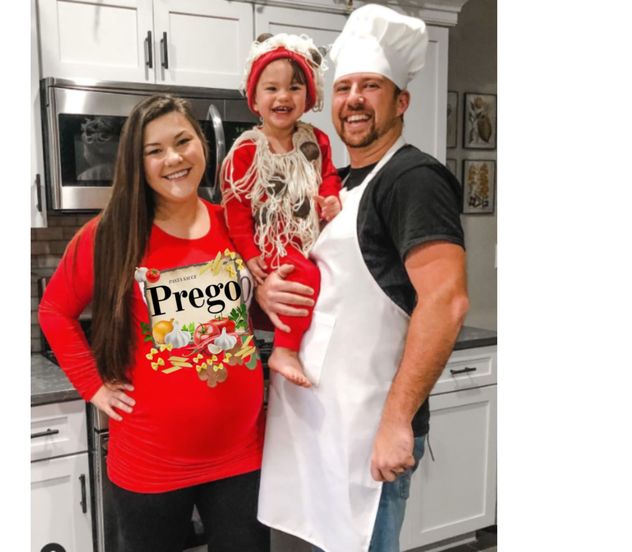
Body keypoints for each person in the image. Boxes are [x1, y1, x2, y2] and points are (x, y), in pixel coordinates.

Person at [255, 5, 470, 552]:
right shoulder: (342, 181)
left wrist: (397, 423)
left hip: (368, 428)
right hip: (319, 424)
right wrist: (267, 286)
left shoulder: (413, 179)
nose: (353, 99)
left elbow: (445, 302)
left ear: (401, 101)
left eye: (371, 87)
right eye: (345, 87)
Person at [39, 95, 270, 552]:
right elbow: (54, 312)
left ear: (202, 144)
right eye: (155, 150)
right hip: (151, 461)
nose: (174, 158)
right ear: (138, 163)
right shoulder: (111, 234)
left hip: (242, 453)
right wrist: (94, 387)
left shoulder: (235, 225)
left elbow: (255, 306)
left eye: (183, 141)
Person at [221, 32, 342, 388]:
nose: (283, 97)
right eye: (271, 89)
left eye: (294, 88)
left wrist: (331, 198)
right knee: (305, 277)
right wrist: (249, 254)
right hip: (272, 245)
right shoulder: (247, 152)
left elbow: (328, 177)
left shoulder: (315, 141)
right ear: (255, 99)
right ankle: (285, 351)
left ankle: (298, 347)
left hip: (311, 236)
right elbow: (236, 210)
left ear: (309, 97)